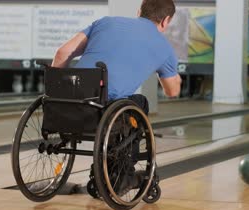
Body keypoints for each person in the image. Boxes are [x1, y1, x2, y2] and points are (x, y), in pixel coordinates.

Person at [52, 0, 181, 195]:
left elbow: (63, 53)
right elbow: (172, 91)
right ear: (166, 20)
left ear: (139, 11)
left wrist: (56, 93)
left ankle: (108, 172)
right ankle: (124, 175)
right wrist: (175, 77)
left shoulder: (105, 22)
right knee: (138, 104)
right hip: (105, 110)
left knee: (121, 106)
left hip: (68, 105)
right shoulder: (164, 47)